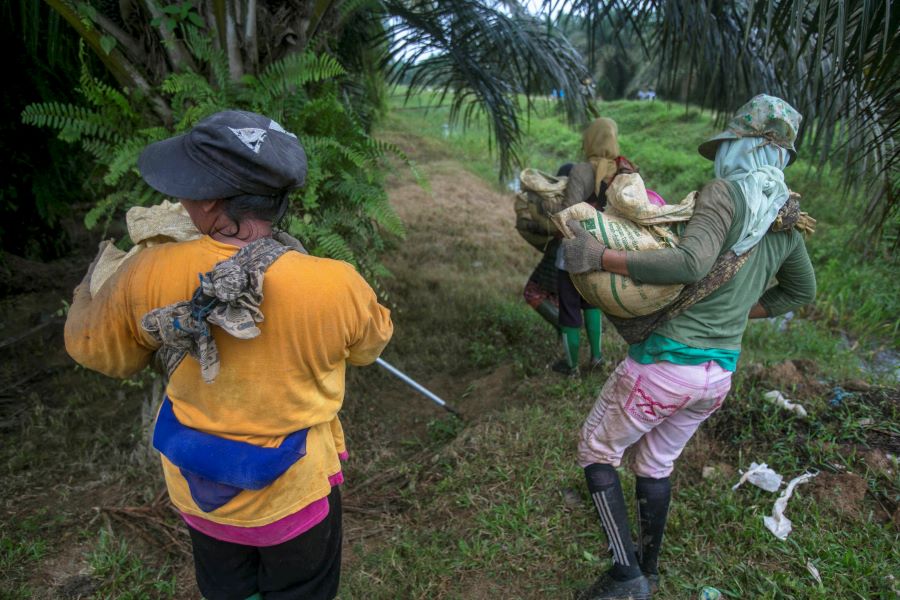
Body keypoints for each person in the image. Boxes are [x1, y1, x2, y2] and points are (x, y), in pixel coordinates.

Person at [64, 110, 394, 600]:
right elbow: (371, 346)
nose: (178, 199)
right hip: (292, 493)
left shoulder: (148, 271)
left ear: (211, 200)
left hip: (200, 490)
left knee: (225, 589)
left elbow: (102, 354)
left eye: (186, 188)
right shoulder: (335, 283)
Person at [563, 95, 815, 599]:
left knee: (596, 450)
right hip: (716, 376)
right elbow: (800, 292)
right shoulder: (786, 216)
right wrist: (739, 311)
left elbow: (689, 264)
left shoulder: (727, 194)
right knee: (655, 464)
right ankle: (649, 572)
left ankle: (625, 574)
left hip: (663, 367)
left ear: (742, 147)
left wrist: (601, 255)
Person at [553, 118, 638, 377]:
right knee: (591, 303)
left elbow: (568, 213)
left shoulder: (581, 171)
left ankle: (571, 367)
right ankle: (598, 357)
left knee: (569, 307)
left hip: (574, 252)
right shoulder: (626, 172)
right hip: (605, 254)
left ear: (590, 139)